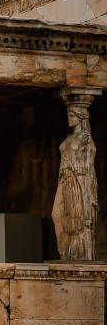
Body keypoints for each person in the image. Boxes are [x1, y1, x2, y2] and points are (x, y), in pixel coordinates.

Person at [52, 106, 97, 260]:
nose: (69, 118)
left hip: (77, 181)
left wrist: (87, 194)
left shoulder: (85, 138)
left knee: (77, 219)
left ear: (80, 117)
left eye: (72, 115)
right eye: (69, 115)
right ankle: (67, 253)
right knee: (57, 215)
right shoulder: (69, 138)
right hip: (65, 180)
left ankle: (79, 255)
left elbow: (88, 167)